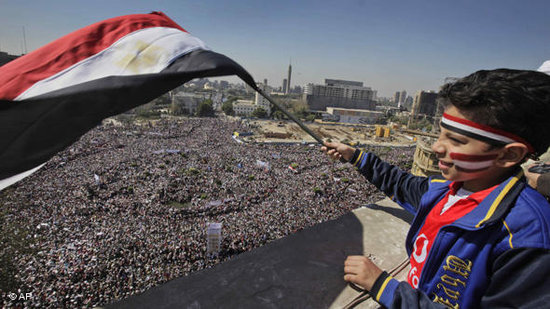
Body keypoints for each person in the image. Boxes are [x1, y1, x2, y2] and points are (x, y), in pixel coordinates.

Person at [322, 69, 550, 308]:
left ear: (510, 154)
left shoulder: (529, 239)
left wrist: (384, 287)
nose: (437, 147)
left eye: (457, 140)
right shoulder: (444, 192)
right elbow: (400, 184)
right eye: (440, 133)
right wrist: (356, 156)